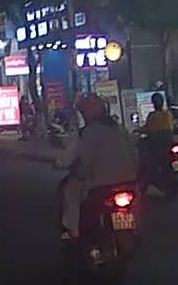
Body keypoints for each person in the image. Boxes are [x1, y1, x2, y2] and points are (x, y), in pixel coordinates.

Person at [56, 93, 138, 241]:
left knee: (70, 192)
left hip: (101, 185)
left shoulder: (89, 132)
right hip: (129, 182)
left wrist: (75, 171)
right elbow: (134, 155)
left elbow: (84, 161)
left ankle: (73, 232)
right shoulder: (119, 128)